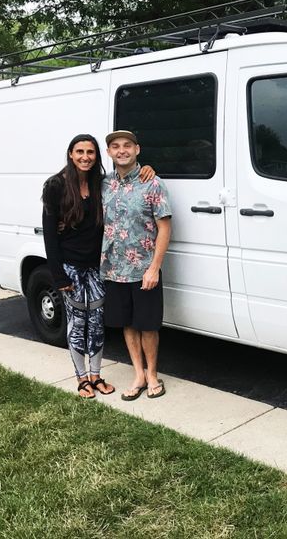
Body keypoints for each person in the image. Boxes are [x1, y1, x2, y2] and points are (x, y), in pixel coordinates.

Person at [41, 133, 154, 399]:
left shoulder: (100, 183)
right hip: (70, 268)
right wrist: (58, 275)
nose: (85, 157)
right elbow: (49, 234)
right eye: (79, 151)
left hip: (98, 267)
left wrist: (148, 168)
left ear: (97, 156)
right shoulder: (56, 185)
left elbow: (130, 179)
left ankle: (96, 375)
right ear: (71, 154)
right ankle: (82, 380)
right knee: (77, 323)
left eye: (90, 152)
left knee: (97, 323)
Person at [101, 130, 172, 401]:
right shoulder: (104, 184)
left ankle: (153, 375)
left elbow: (164, 228)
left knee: (147, 325)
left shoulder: (153, 183)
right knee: (127, 324)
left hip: (144, 269)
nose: (122, 150)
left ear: (137, 149)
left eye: (127, 146)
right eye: (116, 146)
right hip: (114, 269)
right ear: (109, 153)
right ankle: (139, 375)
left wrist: (154, 267)